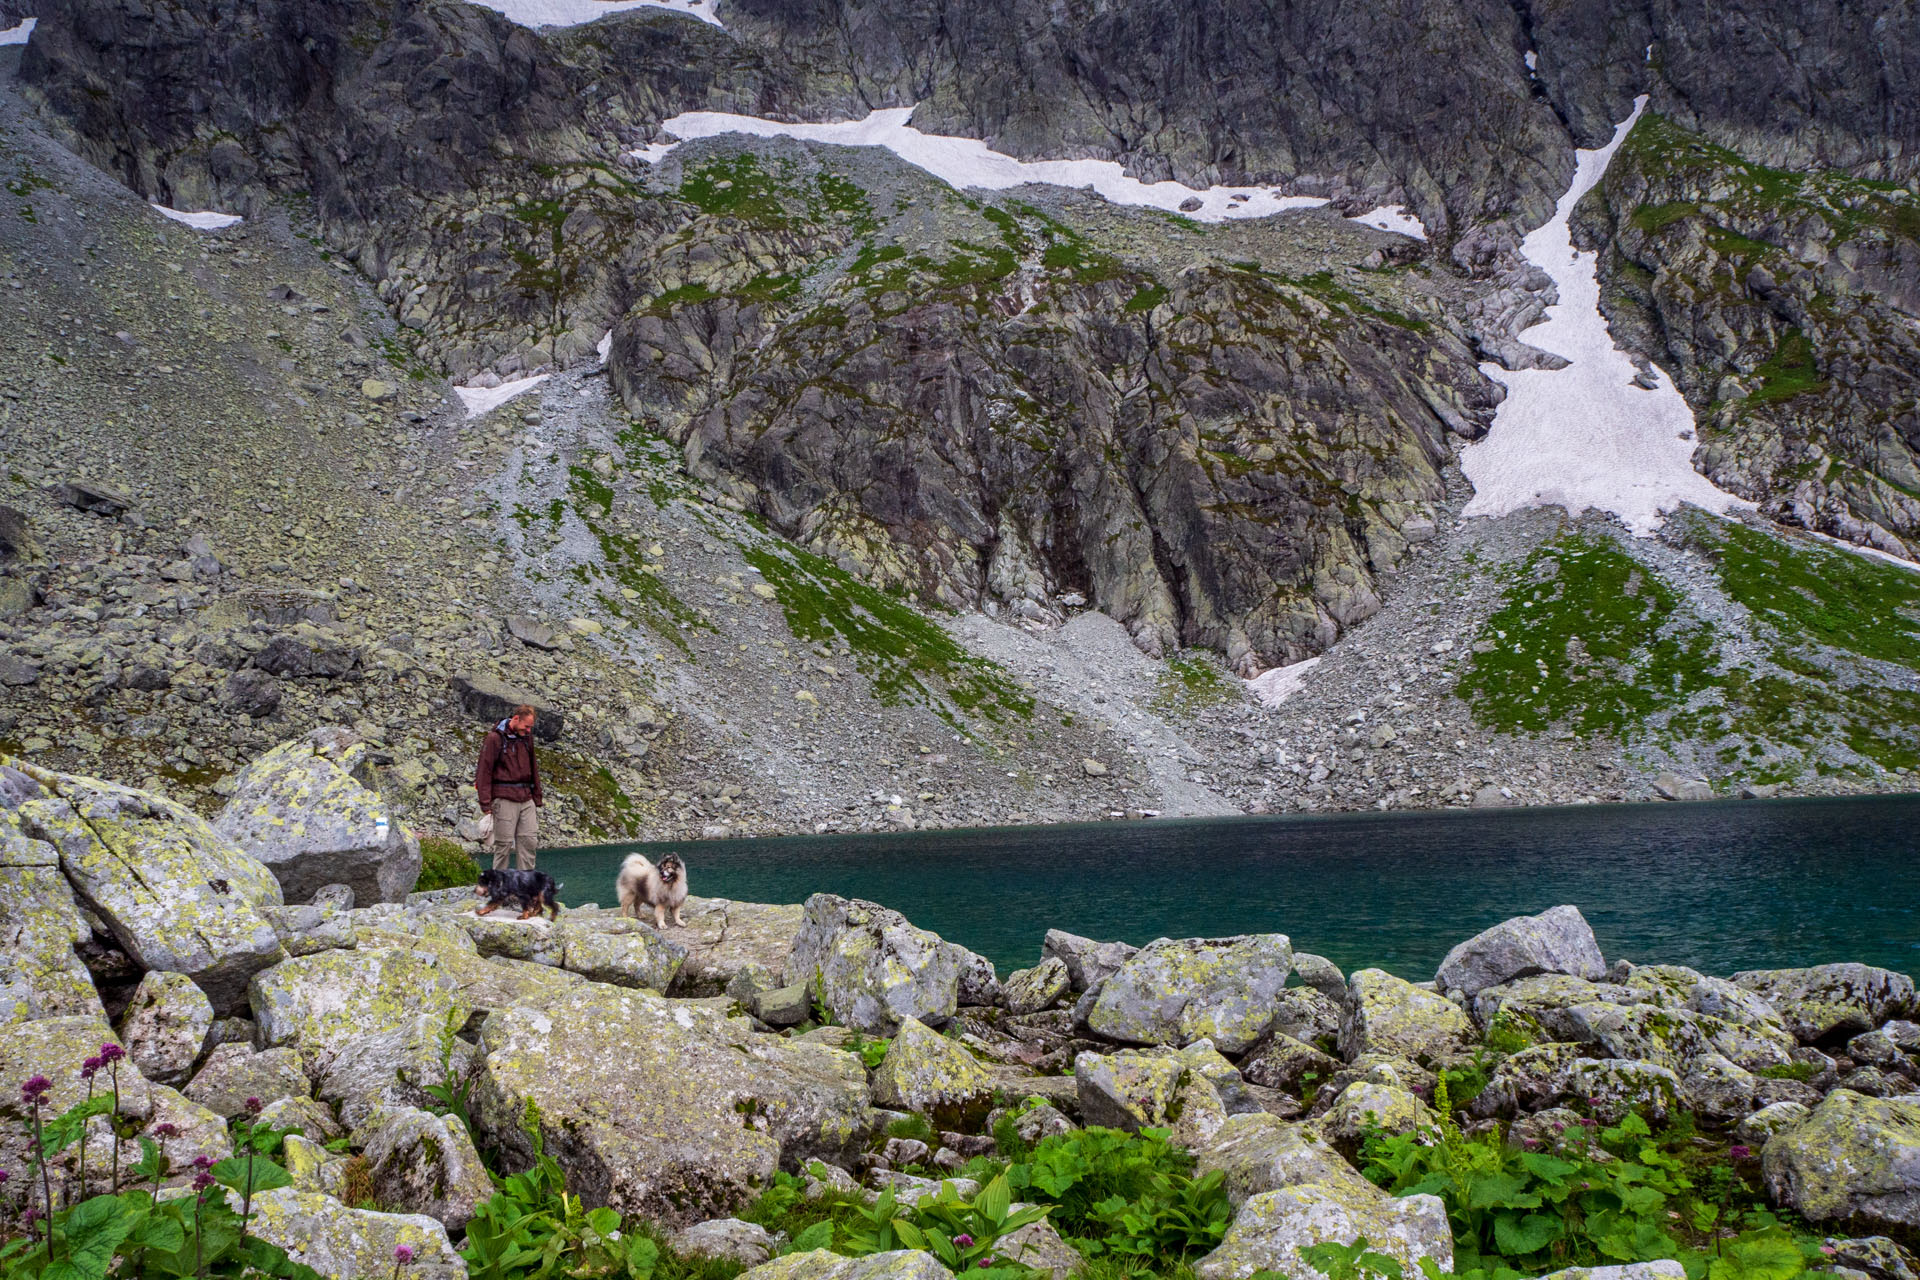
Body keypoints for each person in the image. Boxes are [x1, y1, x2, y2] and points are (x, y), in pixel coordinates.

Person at [475, 704, 543, 870]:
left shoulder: (527, 738)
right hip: (504, 797)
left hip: (526, 797)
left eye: (530, 727)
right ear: (516, 719)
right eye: (526, 726)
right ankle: (499, 885)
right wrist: (485, 803)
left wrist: (537, 796)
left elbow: (533, 766)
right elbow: (484, 771)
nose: (528, 730)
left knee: (529, 842)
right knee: (503, 845)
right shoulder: (494, 738)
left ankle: (526, 885)